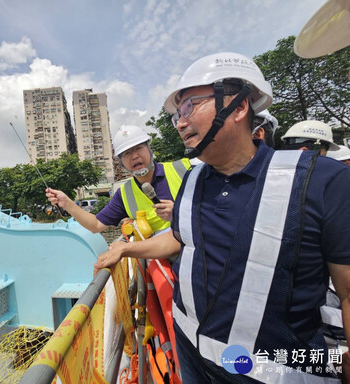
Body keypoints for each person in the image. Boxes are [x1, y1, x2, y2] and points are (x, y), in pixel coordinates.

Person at [95, 52, 350, 383]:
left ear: (240, 106)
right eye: (177, 115)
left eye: (190, 107)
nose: (181, 123)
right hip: (192, 355)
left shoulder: (321, 181)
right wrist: (125, 249)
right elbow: (179, 237)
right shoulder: (193, 181)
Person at [46, 124, 191, 234]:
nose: (134, 156)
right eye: (126, 153)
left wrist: (180, 212)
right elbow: (96, 225)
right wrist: (67, 203)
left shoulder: (185, 169)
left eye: (138, 148)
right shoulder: (125, 194)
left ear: (149, 149)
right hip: (162, 264)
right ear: (121, 162)